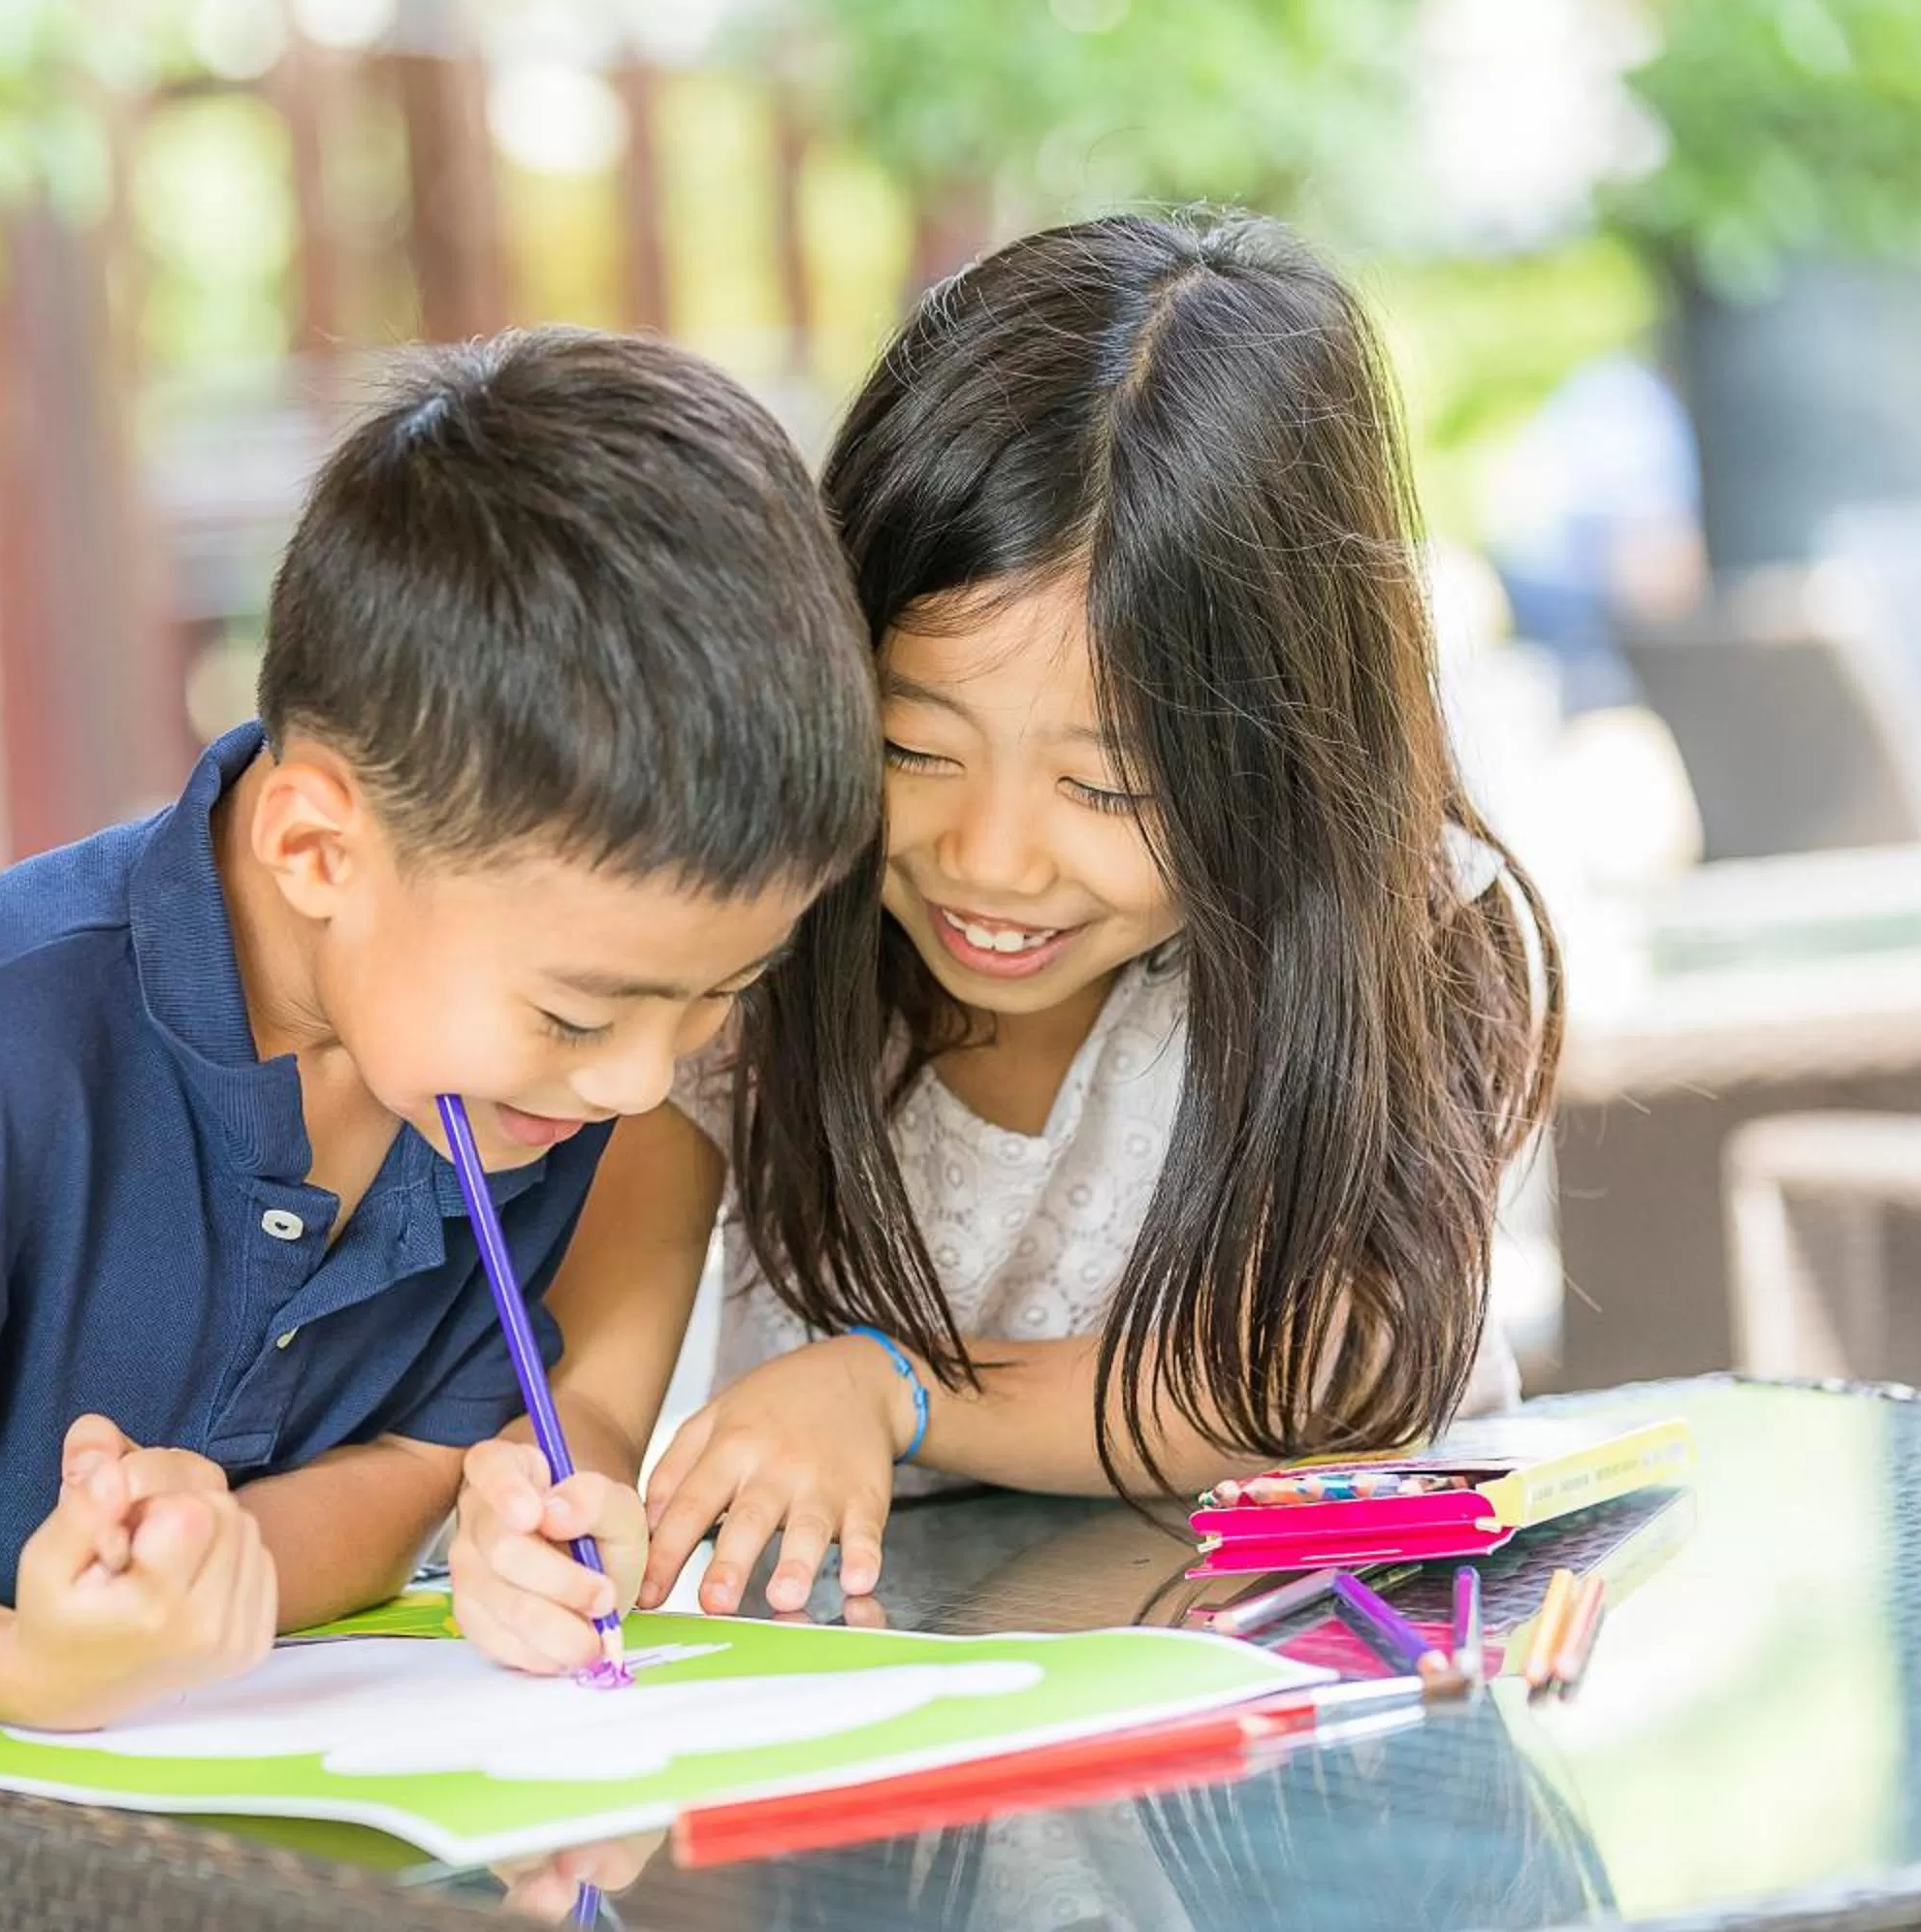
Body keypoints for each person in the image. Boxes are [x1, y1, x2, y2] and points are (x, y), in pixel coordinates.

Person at [0, 325, 882, 1928]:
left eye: (718, 998)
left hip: (184, 1865)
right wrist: (31, 1666)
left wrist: (229, 1558)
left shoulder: (495, 1093)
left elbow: (407, 1463)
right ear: (320, 845)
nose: (634, 1082)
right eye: (586, 1013)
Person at [452, 213, 1561, 1674]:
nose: (991, 859)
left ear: (1290, 767)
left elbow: (1325, 1368)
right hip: (914, 1719)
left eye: (1105, 786)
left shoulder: (1401, 927)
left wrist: (894, 1388)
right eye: (915, 748)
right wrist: (554, 1496)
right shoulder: (763, 943)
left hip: (1339, 1689)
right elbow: (601, 1347)